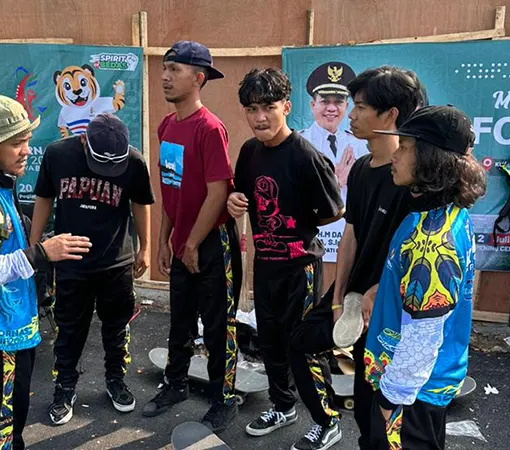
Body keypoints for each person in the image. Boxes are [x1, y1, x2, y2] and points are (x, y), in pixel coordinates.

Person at [0, 95, 91, 450]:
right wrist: (42, 253)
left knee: (11, 418)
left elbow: (7, 247)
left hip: (13, 324)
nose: (26, 150)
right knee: (3, 428)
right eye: (16, 143)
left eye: (26, 140)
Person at [227, 68, 345, 450]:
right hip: (265, 266)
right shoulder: (249, 152)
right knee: (271, 342)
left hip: (300, 268)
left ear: (287, 107)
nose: (260, 117)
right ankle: (283, 406)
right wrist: (233, 203)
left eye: (269, 107)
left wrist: (297, 219)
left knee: (302, 345)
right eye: (252, 109)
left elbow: (333, 210)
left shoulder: (306, 154)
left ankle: (328, 421)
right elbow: (241, 196)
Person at [365, 105, 486, 449]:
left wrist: (391, 400)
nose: (395, 156)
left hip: (411, 395)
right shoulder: (441, 212)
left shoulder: (432, 243)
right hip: (423, 387)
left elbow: (423, 339)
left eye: (405, 147)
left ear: (431, 158)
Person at [142, 40, 243, 433]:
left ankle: (224, 398)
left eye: (175, 69)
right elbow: (171, 187)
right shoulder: (167, 126)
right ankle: (176, 384)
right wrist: (168, 238)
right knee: (179, 320)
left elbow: (218, 191)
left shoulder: (210, 128)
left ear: (198, 78)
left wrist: (193, 244)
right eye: (164, 68)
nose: (165, 76)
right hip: (184, 242)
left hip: (212, 243)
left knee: (219, 325)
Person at [30, 112, 154, 424]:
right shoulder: (58, 155)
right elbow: (44, 197)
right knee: (69, 330)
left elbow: (141, 203)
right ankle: (65, 387)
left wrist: (146, 247)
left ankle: (116, 380)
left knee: (117, 328)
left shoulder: (135, 163)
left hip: (116, 262)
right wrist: (35, 249)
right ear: (84, 139)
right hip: (71, 261)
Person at [329, 66, 427, 450]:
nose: (350, 114)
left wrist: (377, 294)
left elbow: (413, 263)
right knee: (365, 407)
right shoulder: (359, 170)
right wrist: (339, 299)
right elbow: (350, 234)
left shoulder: (415, 184)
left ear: (391, 116)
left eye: (360, 106)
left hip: (393, 317)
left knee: (391, 419)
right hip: (358, 308)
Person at [298, 61, 367, 190]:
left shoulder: (359, 144)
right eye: (325, 101)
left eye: (338, 102)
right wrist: (336, 181)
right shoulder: (298, 144)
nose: (331, 108)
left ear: (346, 106)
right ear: (313, 105)